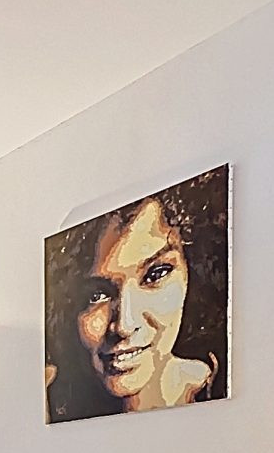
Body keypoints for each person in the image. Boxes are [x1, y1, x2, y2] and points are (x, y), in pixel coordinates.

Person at [44, 167, 227, 421]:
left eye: (156, 275)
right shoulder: (51, 400)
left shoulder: (220, 389)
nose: (125, 325)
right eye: (96, 295)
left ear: (191, 271)